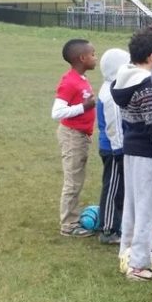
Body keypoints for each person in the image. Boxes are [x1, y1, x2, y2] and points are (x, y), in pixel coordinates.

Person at [111, 28, 152, 281]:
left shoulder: (122, 78)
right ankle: (138, 265)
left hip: (132, 149)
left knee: (135, 205)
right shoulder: (146, 84)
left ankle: (129, 252)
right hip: (149, 151)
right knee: (149, 207)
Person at [51, 39, 97, 237]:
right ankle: (69, 225)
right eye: (93, 54)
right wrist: (84, 107)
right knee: (73, 180)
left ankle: (72, 219)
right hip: (72, 136)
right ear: (82, 58)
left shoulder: (81, 78)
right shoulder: (70, 81)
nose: (96, 58)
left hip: (81, 135)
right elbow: (57, 112)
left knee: (77, 178)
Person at [95, 48, 129, 245]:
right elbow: (114, 126)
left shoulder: (114, 88)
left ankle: (118, 222)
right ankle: (108, 229)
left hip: (117, 147)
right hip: (114, 149)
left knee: (120, 188)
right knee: (113, 188)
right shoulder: (111, 94)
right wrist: (119, 151)